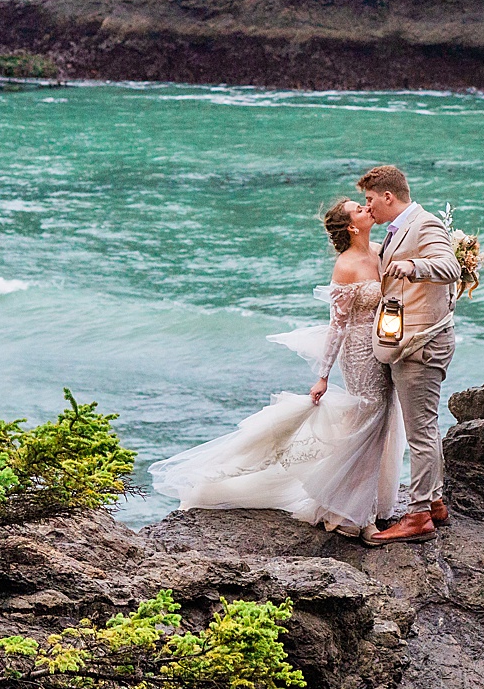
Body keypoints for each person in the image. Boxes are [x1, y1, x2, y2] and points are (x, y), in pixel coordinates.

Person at [145, 199, 401, 537]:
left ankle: (368, 501)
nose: (368, 208)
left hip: (384, 346)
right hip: (357, 353)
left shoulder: (382, 252)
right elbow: (337, 325)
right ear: (353, 227)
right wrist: (323, 375)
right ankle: (355, 515)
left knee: (384, 419)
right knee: (367, 423)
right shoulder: (346, 266)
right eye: (359, 209)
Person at [357, 163, 460, 545]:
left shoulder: (425, 224)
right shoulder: (397, 230)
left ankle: (417, 516)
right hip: (410, 341)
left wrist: (413, 266)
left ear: (388, 196)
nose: (369, 208)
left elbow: (450, 267)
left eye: (371, 201)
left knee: (419, 431)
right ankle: (434, 502)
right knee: (425, 426)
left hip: (421, 345)